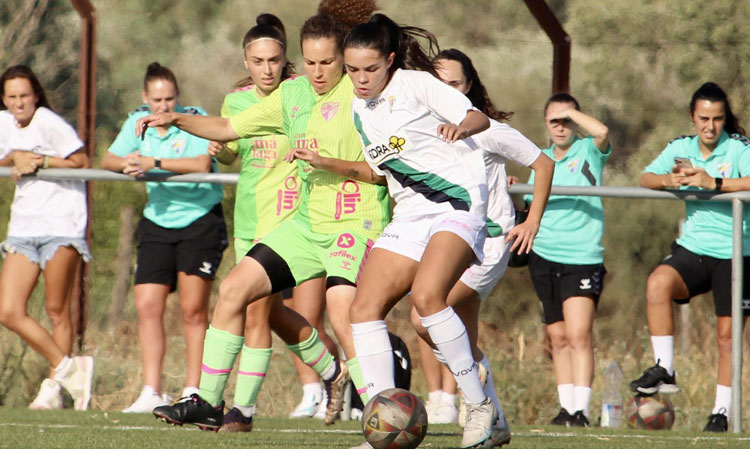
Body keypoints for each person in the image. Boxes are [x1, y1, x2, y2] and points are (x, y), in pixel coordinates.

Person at [140, 0, 390, 431]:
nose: (317, 71)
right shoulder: (292, 93)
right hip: (308, 223)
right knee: (235, 289)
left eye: (327, 62)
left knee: (342, 312)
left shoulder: (362, 87)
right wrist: (175, 117)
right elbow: (227, 130)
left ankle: (382, 416)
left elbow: (387, 164)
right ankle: (209, 402)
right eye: (309, 61)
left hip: (356, 220)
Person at [340, 14, 536, 448]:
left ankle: (478, 406)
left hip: (458, 204)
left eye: (370, 69)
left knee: (428, 300)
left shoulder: (416, 84)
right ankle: (381, 423)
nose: (361, 78)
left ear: (390, 60)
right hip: (410, 213)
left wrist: (461, 126)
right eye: (352, 70)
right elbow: (385, 164)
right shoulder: (360, 109)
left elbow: (476, 118)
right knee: (363, 307)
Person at [409, 49, 553, 432]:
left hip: (487, 245)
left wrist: (531, 222)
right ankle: (495, 419)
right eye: (439, 85)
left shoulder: (486, 128)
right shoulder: (425, 129)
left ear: (468, 86)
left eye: (454, 84)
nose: (447, 92)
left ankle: (474, 390)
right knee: (464, 336)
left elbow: (543, 163)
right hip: (451, 241)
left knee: (424, 317)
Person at [208, 14, 339, 430]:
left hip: (285, 222)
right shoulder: (237, 103)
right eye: (258, 60)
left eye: (274, 60)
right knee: (278, 316)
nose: (267, 68)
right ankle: (335, 374)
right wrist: (220, 150)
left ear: (286, 60)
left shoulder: (300, 96)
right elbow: (235, 153)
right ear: (246, 62)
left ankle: (241, 411)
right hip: (247, 216)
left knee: (257, 315)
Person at [101, 62, 227, 413]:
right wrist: (126, 164)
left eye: (170, 99)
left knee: (192, 310)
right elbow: (107, 158)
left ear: (178, 98)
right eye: (157, 99)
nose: (164, 106)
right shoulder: (136, 123)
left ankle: (193, 390)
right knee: (147, 306)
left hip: (200, 221)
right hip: (157, 221)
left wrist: (151, 161)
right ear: (145, 98)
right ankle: (152, 391)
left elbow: (202, 164)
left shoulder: (193, 119)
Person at [630, 82, 750, 433]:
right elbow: (644, 177)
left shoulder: (739, 148)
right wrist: (671, 179)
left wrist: (713, 182)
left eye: (717, 119)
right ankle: (664, 369)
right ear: (691, 117)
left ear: (725, 119)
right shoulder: (681, 147)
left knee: (727, 337)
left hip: (737, 253)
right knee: (657, 284)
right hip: (694, 248)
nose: (710, 127)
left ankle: (721, 413)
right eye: (703, 119)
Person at [0, 64, 94, 411]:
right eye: (12, 97)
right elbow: (6, 155)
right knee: (8, 310)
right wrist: (14, 157)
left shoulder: (48, 122)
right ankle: (69, 366)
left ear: (35, 95)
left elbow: (81, 160)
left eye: (24, 95)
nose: (19, 102)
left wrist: (40, 161)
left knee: (57, 309)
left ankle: (54, 387)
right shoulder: (3, 124)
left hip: (61, 224)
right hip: (23, 227)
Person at [525, 92, 610, 427]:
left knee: (579, 334)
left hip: (581, 255)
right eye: (554, 121)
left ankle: (582, 411)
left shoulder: (588, 150)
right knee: (558, 337)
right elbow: (531, 201)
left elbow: (601, 133)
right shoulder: (540, 159)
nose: (560, 128)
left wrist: (573, 113)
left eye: (566, 121)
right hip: (543, 253)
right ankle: (566, 408)